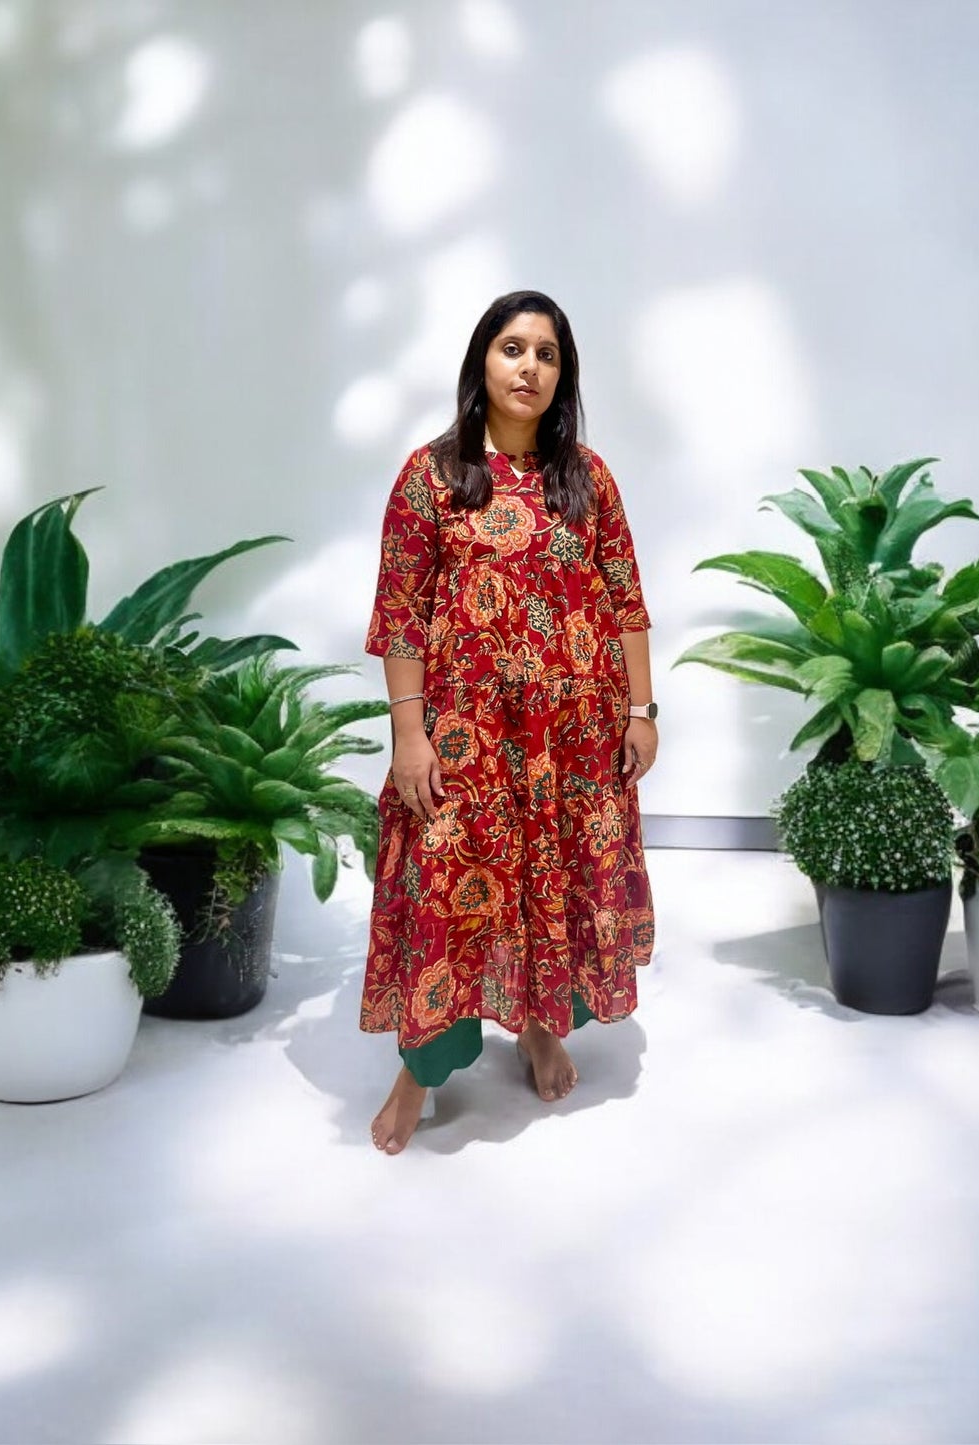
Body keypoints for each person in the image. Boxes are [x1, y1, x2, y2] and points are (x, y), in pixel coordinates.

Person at [361, 290, 657, 1154]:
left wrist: (640, 710)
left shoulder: (585, 477)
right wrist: (408, 735)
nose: (530, 367)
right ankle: (419, 1071)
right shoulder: (433, 476)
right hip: (469, 741)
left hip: (572, 739)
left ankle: (537, 1023)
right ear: (481, 361)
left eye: (548, 354)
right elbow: (400, 616)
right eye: (513, 347)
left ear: (564, 376)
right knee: (450, 892)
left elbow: (626, 599)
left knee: (556, 880)